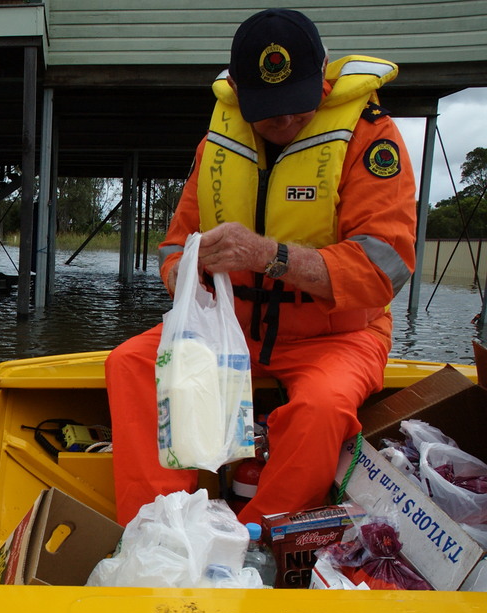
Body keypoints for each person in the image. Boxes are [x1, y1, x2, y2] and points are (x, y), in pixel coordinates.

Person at [106, 8, 417, 528]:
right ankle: (155, 528)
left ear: (323, 79)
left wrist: (269, 257)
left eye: (297, 104)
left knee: (319, 408)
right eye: (268, 110)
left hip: (338, 337)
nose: (285, 121)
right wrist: (190, 272)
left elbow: (383, 270)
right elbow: (172, 248)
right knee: (130, 364)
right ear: (240, 96)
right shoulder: (217, 146)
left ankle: (260, 540)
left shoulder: (370, 140)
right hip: (230, 330)